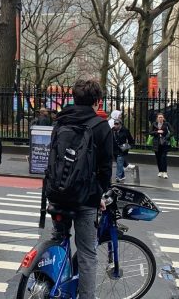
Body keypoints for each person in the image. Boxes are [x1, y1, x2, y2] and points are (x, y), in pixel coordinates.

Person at [48, 79, 112, 299]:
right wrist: (100, 193)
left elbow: (53, 158)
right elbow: (105, 169)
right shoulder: (100, 126)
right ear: (97, 101)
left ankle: (48, 285)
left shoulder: (61, 121)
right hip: (85, 199)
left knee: (57, 241)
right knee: (87, 254)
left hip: (57, 193)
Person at [150, 112, 173, 179]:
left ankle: (165, 172)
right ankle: (160, 171)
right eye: (159, 117)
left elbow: (172, 131)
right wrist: (157, 132)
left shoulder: (167, 124)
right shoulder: (154, 124)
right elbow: (150, 132)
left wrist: (166, 137)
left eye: (162, 117)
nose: (160, 118)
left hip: (165, 143)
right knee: (158, 158)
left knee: (164, 157)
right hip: (156, 143)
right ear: (157, 118)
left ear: (163, 118)